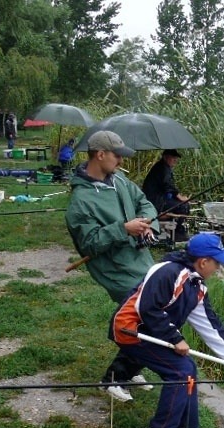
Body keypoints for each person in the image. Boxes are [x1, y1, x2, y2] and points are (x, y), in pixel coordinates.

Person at [109, 232, 224, 428]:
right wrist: (175, 338)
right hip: (130, 330)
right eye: (217, 263)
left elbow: (210, 327)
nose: (218, 269)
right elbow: (148, 308)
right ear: (203, 262)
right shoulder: (167, 271)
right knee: (179, 371)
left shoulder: (197, 285)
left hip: (152, 331)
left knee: (188, 368)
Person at [65, 130, 159, 402]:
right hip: (114, 269)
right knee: (146, 313)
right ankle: (114, 378)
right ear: (100, 154)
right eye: (117, 155)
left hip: (141, 260)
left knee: (150, 311)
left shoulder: (120, 180)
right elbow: (90, 243)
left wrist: (146, 220)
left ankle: (131, 368)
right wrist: (124, 228)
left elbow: (146, 204)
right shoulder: (80, 202)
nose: (120, 160)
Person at [142, 149, 191, 242]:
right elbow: (167, 185)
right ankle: (178, 233)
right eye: (173, 158)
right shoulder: (163, 168)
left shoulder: (162, 167)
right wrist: (179, 196)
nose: (175, 160)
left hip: (157, 199)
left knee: (179, 204)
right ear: (165, 157)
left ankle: (175, 229)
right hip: (155, 201)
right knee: (183, 206)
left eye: (176, 158)